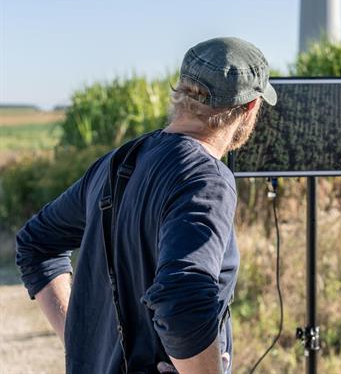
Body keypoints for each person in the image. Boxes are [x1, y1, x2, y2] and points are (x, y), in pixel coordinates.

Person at [16, 37, 277, 374]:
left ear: (182, 92)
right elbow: (181, 298)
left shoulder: (117, 164)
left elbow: (35, 242)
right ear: (250, 108)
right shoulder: (207, 179)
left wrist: (81, 342)